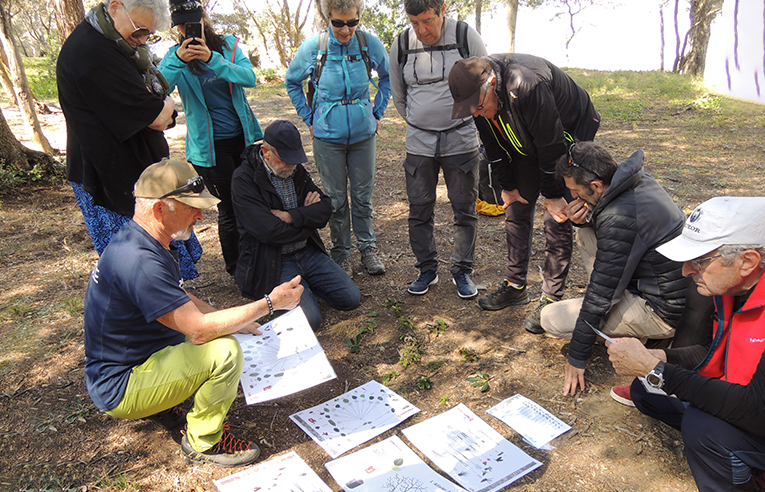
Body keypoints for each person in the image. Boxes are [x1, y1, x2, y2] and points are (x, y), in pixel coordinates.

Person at [84, 158, 304, 467]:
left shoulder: (141, 239)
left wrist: (232, 319)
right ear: (160, 209)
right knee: (224, 351)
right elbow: (198, 329)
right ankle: (204, 441)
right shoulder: (140, 261)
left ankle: (162, 402)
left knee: (221, 333)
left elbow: (177, 295)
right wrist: (269, 303)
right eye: (192, 208)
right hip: (121, 385)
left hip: (138, 360)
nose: (200, 215)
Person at [606, 196, 765, 492]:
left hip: (758, 410)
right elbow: (715, 350)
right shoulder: (734, 287)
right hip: (747, 396)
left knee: (703, 427)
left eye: (699, 261)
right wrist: (659, 357)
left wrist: (656, 369)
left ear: (747, 261)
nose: (686, 271)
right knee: (646, 390)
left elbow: (757, 409)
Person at [448, 54, 601, 327]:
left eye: (479, 107)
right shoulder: (478, 100)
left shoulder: (527, 85)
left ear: (492, 83)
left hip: (567, 131)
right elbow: (493, 147)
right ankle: (515, 286)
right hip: (527, 134)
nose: (477, 114)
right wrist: (508, 187)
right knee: (516, 206)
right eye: (472, 110)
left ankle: (551, 299)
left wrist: (553, 196)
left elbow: (552, 146)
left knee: (556, 218)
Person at [57, 0, 202, 280]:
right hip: (110, 180)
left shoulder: (119, 44)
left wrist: (162, 107)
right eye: (139, 31)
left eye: (149, 34)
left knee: (165, 259)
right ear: (115, 7)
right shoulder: (92, 52)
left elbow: (159, 109)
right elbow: (159, 116)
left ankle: (173, 299)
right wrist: (164, 105)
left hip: (137, 166)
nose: (142, 40)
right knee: (138, 269)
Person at [536, 142, 690, 396]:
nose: (573, 196)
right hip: (667, 288)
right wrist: (586, 220)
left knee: (549, 318)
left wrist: (577, 357)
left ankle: (649, 333)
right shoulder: (637, 181)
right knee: (586, 235)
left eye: (575, 190)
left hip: (661, 309)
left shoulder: (618, 217)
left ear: (596, 186)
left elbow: (601, 293)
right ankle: (624, 322)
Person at [284, 0, 391, 277]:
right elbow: (292, 81)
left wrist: (376, 112)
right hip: (327, 137)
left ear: (358, 17)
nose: (346, 30)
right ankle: (341, 252)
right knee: (335, 198)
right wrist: (308, 117)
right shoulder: (314, 47)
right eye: (338, 23)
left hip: (363, 136)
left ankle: (367, 248)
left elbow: (388, 78)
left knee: (362, 196)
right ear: (327, 17)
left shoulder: (369, 44)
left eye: (352, 22)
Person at [390, 0, 487, 299]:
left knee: (464, 208)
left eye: (428, 21)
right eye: (414, 22)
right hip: (419, 143)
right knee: (419, 209)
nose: (421, 30)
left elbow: (485, 85)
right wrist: (422, 122)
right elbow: (399, 95)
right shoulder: (402, 44)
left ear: (442, 9)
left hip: (461, 141)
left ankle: (462, 271)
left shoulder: (464, 36)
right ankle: (426, 269)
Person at [159, 0, 263, 276]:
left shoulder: (228, 46)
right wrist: (179, 61)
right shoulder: (174, 56)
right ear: (176, 28)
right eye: (181, 25)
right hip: (209, 149)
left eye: (193, 21)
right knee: (230, 206)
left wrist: (211, 59)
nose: (188, 29)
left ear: (204, 19)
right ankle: (237, 267)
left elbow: (249, 77)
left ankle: (259, 256)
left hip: (243, 139)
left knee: (253, 199)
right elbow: (158, 88)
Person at [231, 120, 361, 331]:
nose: (292, 166)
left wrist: (290, 216)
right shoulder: (244, 179)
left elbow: (325, 208)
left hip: (307, 251)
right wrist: (308, 220)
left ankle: (304, 287)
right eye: (286, 160)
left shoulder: (294, 170)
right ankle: (294, 292)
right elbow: (268, 232)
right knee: (310, 321)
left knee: (351, 298)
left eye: (295, 159)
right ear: (266, 152)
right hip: (274, 261)